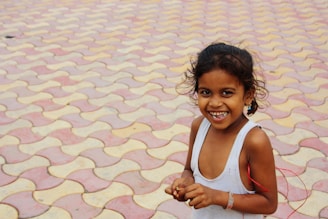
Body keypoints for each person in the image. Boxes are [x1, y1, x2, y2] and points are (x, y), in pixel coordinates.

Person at [165, 42, 278, 218]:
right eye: (205, 92)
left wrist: (218, 197)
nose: (215, 103)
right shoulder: (198, 127)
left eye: (226, 93)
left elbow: (269, 203)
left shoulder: (253, 140)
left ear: (248, 95)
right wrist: (185, 183)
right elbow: (189, 170)